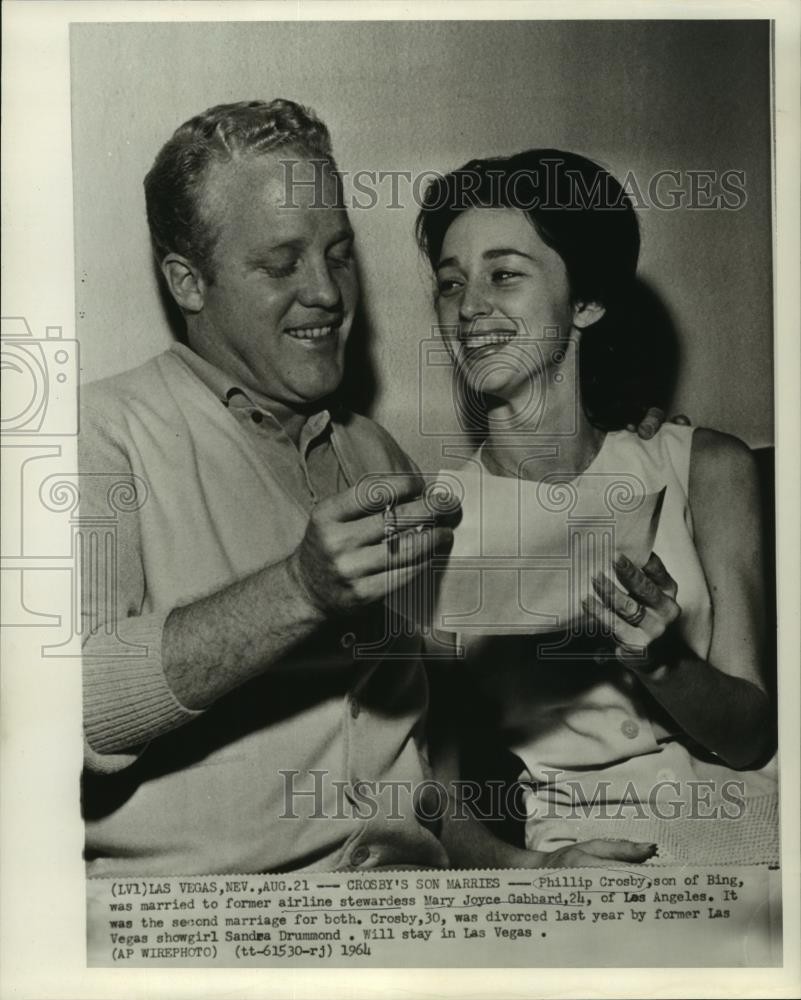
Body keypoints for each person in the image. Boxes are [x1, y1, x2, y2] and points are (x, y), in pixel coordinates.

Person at [80, 101, 665, 876]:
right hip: (199, 927)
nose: (327, 292)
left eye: (339, 254)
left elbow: (425, 753)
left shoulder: (375, 456)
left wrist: (523, 870)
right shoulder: (98, 433)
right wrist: (297, 589)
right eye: (281, 263)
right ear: (188, 282)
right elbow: (65, 705)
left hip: (401, 911)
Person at [416, 149, 778, 865]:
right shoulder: (434, 520)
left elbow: (749, 737)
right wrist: (527, 871)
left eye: (504, 274)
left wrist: (661, 661)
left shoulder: (705, 467)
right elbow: (437, 789)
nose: (468, 306)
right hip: (587, 860)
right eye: (450, 282)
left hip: (759, 829)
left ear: (586, 301)